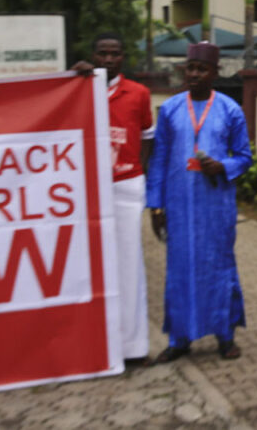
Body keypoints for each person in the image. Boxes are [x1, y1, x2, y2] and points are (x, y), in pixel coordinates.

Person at [146, 42, 251, 362]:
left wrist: (224, 166)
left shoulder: (230, 110)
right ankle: (179, 339)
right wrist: (156, 205)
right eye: (190, 67)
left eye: (201, 68)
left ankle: (224, 335)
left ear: (214, 73)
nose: (193, 74)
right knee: (180, 271)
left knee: (219, 267)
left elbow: (244, 157)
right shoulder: (170, 109)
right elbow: (159, 160)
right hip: (178, 206)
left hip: (215, 205)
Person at [72, 33, 154, 364]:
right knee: (87, 265)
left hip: (126, 185)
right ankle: (91, 344)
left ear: (123, 57)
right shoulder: (79, 88)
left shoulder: (138, 93)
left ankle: (133, 348)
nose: (108, 60)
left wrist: (139, 172)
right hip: (86, 190)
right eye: (102, 53)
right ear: (93, 54)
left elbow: (148, 136)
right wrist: (72, 76)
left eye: (115, 54)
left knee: (129, 265)